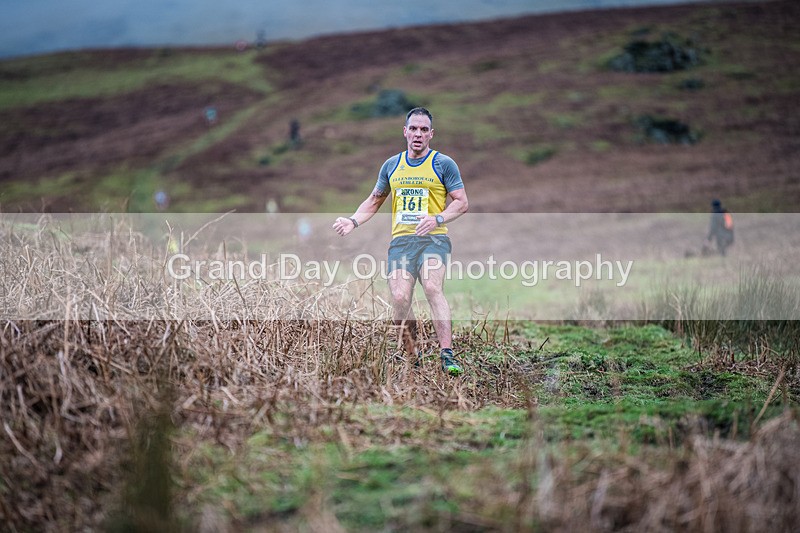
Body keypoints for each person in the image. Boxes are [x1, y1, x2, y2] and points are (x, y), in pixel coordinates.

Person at [332, 107, 469, 375]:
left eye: (424, 130)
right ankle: (412, 354)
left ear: (431, 134)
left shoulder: (443, 164)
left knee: (431, 287)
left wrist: (437, 219)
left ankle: (447, 355)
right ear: (405, 132)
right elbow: (374, 201)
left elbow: (462, 203)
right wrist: (352, 221)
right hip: (402, 243)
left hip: (434, 240)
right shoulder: (392, 165)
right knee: (399, 297)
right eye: (413, 129)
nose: (418, 134)